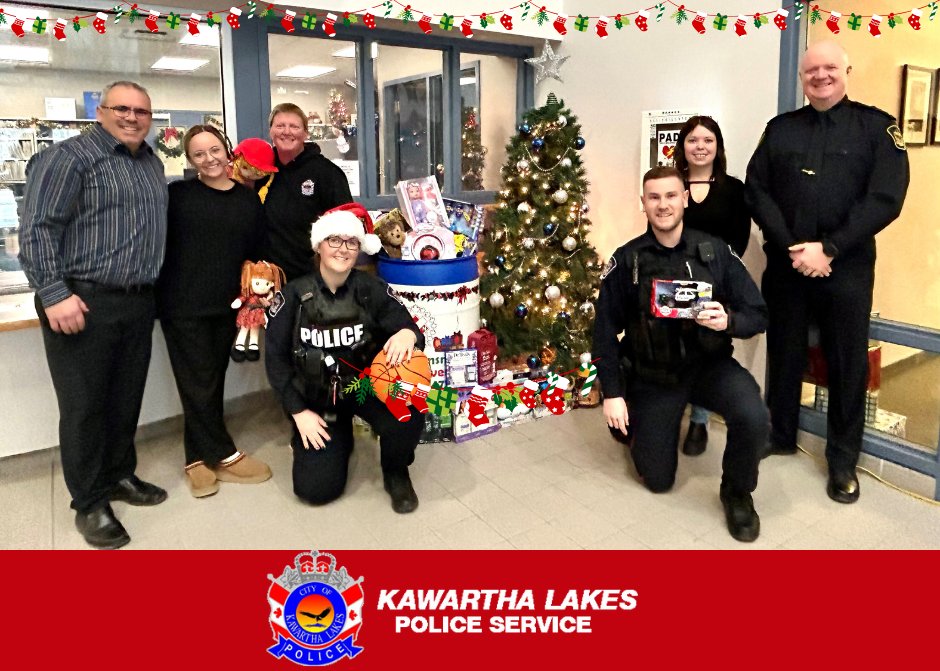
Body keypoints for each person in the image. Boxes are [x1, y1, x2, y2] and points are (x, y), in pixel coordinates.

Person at [745, 41, 909, 504]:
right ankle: (779, 434)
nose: (820, 76)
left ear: (846, 70)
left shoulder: (877, 129)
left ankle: (842, 461)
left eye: (829, 68)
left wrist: (830, 249)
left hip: (847, 270)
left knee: (846, 363)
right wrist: (794, 248)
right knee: (785, 349)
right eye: (811, 70)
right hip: (789, 264)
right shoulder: (780, 130)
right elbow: (757, 191)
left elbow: (885, 199)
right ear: (801, 77)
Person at [19, 81, 169, 549]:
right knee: (84, 407)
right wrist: (52, 291)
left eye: (141, 110)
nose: (132, 116)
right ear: (100, 112)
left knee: (126, 398)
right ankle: (88, 502)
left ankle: (120, 475)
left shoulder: (150, 162)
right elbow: (38, 228)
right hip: (82, 300)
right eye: (121, 108)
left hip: (137, 300)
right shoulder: (70, 157)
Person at [592, 167, 769, 542]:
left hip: (708, 367)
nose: (663, 205)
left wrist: (729, 321)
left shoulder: (715, 253)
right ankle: (638, 427)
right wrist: (612, 393)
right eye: (654, 197)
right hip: (653, 376)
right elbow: (604, 331)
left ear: (685, 198)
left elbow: (758, 313)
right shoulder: (627, 260)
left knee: (753, 414)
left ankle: (737, 492)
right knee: (658, 481)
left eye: (671, 196)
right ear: (643, 204)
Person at [265, 203, 426, 513]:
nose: (343, 249)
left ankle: (396, 472)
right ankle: (336, 439)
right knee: (315, 491)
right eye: (334, 241)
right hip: (318, 396)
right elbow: (275, 359)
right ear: (319, 246)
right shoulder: (294, 296)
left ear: (359, 248)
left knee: (411, 407)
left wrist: (407, 334)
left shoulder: (371, 288)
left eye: (351, 242)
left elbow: (404, 324)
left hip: (364, 386)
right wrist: (298, 413)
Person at [155, 125, 272, 499]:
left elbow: (255, 253)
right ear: (190, 160)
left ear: (228, 152)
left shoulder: (247, 200)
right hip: (182, 305)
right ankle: (222, 453)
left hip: (229, 308)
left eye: (214, 150)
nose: (209, 159)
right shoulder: (178, 195)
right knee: (197, 381)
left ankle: (195, 458)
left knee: (211, 379)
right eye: (199, 154)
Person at [674, 116, 752, 457]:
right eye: (693, 140)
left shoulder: (734, 190)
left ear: (717, 146)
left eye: (707, 140)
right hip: (675, 282)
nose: (700, 146)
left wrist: (715, 277)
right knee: (676, 348)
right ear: (683, 146)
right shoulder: (672, 184)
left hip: (717, 285)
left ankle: (699, 420)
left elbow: (739, 240)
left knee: (708, 350)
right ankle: (671, 409)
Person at [262, 102, 353, 281]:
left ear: (305, 133)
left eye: (294, 126)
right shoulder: (260, 172)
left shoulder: (326, 173)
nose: (286, 131)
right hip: (266, 280)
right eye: (280, 125)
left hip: (311, 280)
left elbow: (346, 228)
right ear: (271, 131)